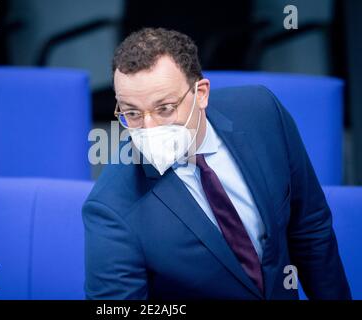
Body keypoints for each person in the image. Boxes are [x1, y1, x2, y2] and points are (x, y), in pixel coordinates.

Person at [82, 27, 351, 300]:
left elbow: (310, 229)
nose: (149, 127)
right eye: (132, 113)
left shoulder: (262, 113)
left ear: (201, 94)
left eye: (164, 108)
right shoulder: (111, 208)